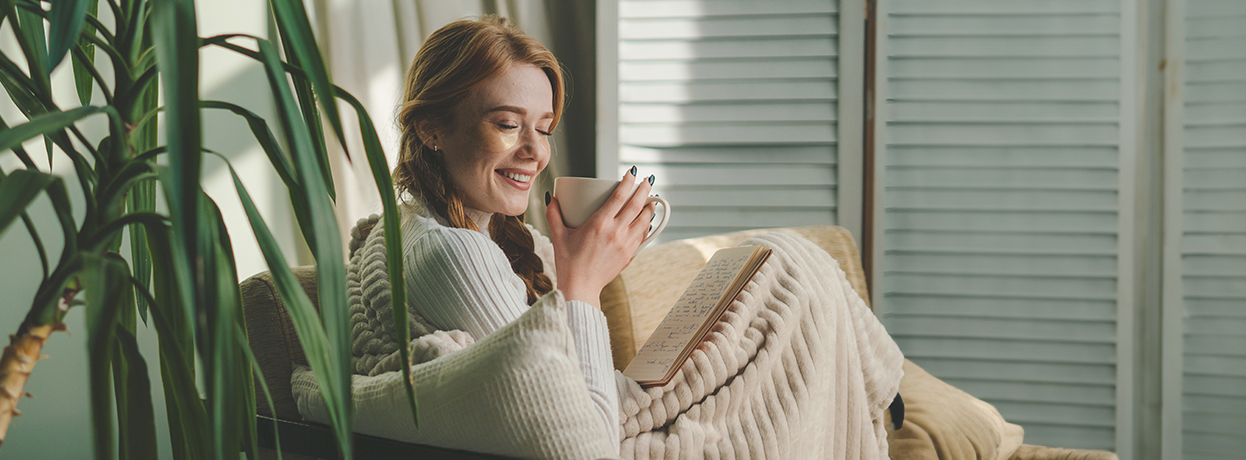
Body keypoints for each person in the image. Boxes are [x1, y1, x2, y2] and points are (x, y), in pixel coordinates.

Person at [343, 16, 903, 458]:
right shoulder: (452, 253)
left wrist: (576, 266)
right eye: (508, 124)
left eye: (543, 129)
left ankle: (878, 381)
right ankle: (880, 386)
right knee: (787, 266)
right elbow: (582, 435)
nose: (536, 153)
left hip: (615, 410)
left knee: (775, 265)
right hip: (614, 436)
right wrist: (583, 279)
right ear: (430, 128)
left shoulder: (478, 235)